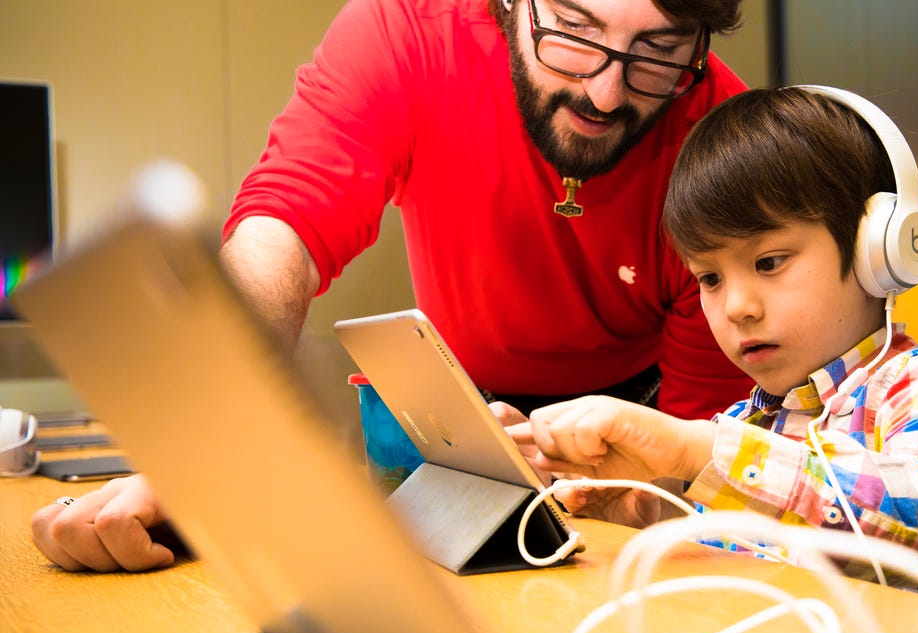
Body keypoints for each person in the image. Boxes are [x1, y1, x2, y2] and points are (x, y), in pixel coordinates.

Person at [29, 0, 752, 573]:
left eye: (658, 51)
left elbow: (694, 477)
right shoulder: (408, 28)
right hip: (456, 409)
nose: (605, 91)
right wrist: (204, 448)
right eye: (572, 27)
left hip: (636, 418)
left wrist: (640, 494)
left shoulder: (720, 134)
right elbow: (286, 222)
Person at [513, 86, 918, 615]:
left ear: (879, 249)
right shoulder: (749, 425)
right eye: (709, 277)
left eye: (769, 262)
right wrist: (638, 506)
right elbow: (746, 554)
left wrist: (698, 451)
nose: (736, 306)